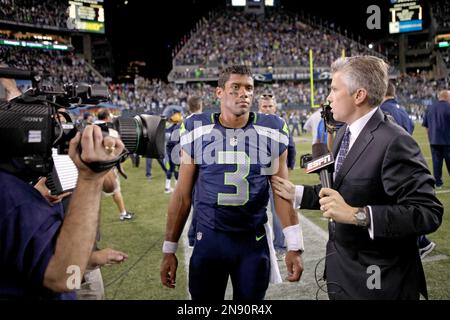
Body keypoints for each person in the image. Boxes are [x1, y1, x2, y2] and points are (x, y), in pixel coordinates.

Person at [271, 56, 443, 300]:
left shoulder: (395, 141)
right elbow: (342, 191)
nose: (329, 97)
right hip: (343, 273)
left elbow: (428, 212)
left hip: (381, 281)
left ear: (359, 95)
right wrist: (297, 193)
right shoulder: (345, 133)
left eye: (334, 89)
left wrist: (357, 215)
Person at [160, 65, 303, 300]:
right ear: (219, 93)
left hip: (252, 242)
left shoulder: (272, 129)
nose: (243, 93)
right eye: (235, 88)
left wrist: (295, 246)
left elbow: (281, 192)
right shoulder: (197, 128)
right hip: (209, 239)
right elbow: (183, 195)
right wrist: (169, 249)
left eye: (248, 88)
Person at [0, 122, 125, 299]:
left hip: (83, 257)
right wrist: (32, 196)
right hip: (56, 265)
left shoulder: (79, 143)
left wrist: (103, 161)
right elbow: (63, 276)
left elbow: (110, 186)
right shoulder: (17, 174)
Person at [380, 82, 435, 258]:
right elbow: (409, 130)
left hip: (392, 162)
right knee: (405, 204)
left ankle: (419, 243)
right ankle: (422, 242)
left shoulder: (383, 111)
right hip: (406, 160)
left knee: (395, 207)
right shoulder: (401, 109)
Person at [258, 92, 296, 260]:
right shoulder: (252, 121)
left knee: (278, 209)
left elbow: (290, 145)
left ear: (275, 108)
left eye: (270, 106)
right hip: (256, 173)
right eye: (264, 106)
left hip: (276, 172)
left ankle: (279, 245)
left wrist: (290, 165)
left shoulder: (281, 123)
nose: (267, 109)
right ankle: (259, 243)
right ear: (259, 107)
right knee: (256, 208)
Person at [96, 109, 135, 221]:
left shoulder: (89, 127)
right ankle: (123, 213)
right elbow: (120, 148)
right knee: (115, 190)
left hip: (89, 166)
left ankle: (90, 216)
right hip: (106, 165)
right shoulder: (111, 130)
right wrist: (119, 165)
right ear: (107, 117)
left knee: (92, 192)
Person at [422, 89, 450, 189]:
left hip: (434, 140)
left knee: (436, 162)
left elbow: (426, 125)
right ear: (446, 96)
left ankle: (438, 182)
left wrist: (430, 137)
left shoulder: (430, 107)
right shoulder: (449, 106)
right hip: (447, 140)